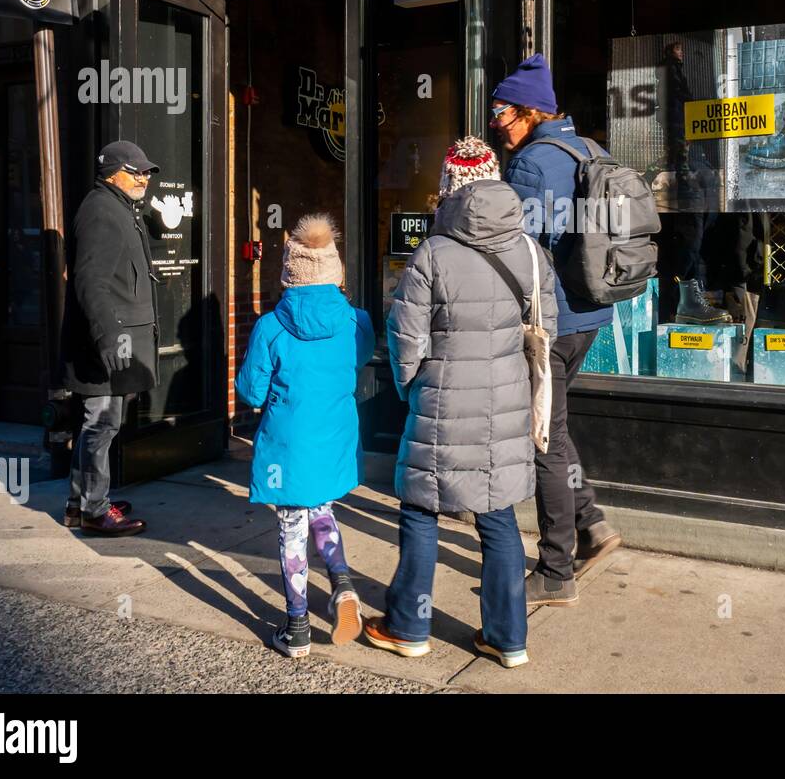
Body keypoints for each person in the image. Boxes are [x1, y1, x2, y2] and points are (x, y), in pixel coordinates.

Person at [364, 137, 557, 668]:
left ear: (449, 187)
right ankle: (507, 637)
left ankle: (408, 626)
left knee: (423, 510)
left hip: (442, 403)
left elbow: (406, 338)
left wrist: (412, 387)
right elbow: (548, 331)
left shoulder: (433, 253)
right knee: (497, 516)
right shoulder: (531, 253)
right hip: (506, 405)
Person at [491, 54, 623, 608]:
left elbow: (513, 248)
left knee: (542, 438)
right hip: (592, 312)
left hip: (551, 322)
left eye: (501, 111)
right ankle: (590, 522)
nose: (494, 121)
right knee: (556, 423)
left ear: (528, 112)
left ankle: (554, 568)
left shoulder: (531, 165)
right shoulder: (592, 150)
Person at [236, 214, 375, 658]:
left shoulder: (271, 326)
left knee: (291, 525)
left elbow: (250, 390)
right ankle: (343, 585)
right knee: (322, 506)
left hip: (288, 444)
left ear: (289, 273)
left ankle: (296, 626)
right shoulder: (357, 321)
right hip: (335, 436)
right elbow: (361, 359)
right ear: (335, 271)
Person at [60, 140, 161, 536]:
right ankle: (94, 510)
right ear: (113, 172)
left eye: (146, 173)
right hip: (104, 347)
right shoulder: (102, 211)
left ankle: (77, 504)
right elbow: (90, 283)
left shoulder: (117, 208)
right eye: (136, 172)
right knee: (100, 425)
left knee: (99, 426)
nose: (144, 180)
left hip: (114, 345)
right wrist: (108, 336)